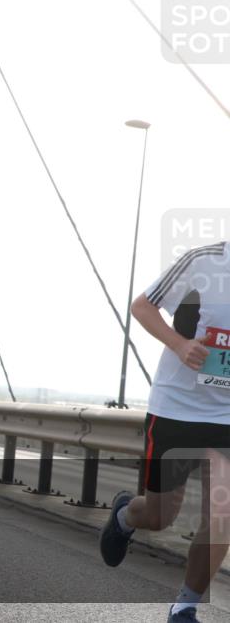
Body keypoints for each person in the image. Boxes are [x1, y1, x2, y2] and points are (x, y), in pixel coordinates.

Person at [98, 241, 230, 623]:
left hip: (226, 417)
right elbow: (142, 306)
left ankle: (185, 606)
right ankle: (126, 515)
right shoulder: (203, 262)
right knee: (159, 516)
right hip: (176, 409)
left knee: (222, 513)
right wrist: (180, 344)